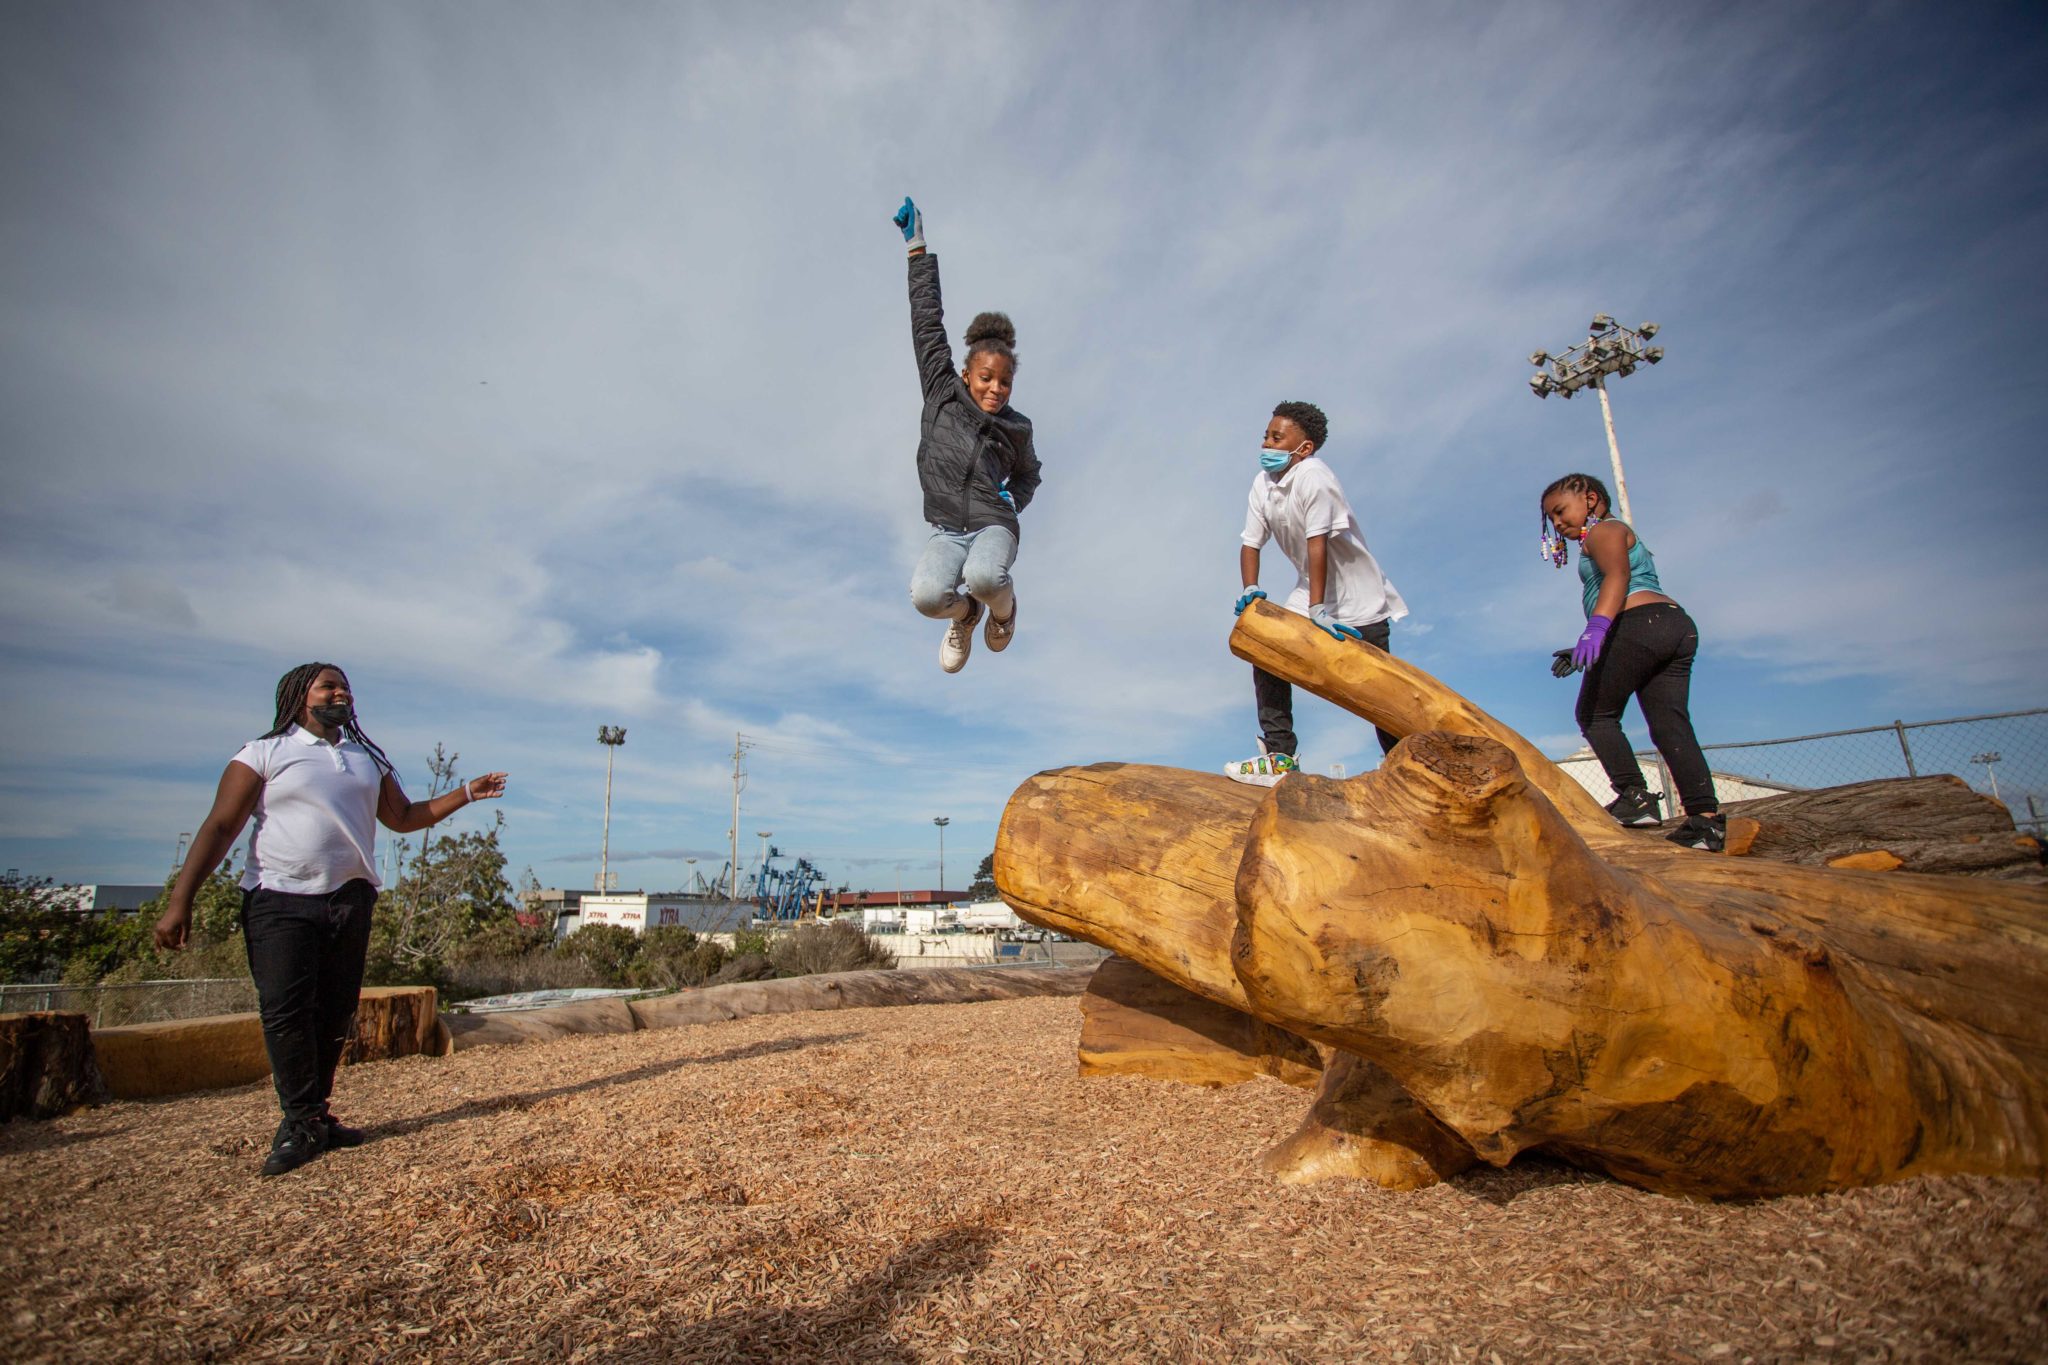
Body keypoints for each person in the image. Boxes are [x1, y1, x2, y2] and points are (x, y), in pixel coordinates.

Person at [154, 663, 508, 1176]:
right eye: (328, 686)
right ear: (300, 696)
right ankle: (299, 1122)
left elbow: (404, 818)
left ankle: (315, 1115)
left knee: (334, 1012)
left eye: (345, 687)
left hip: (349, 900)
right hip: (279, 898)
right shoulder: (263, 753)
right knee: (286, 1012)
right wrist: (180, 900)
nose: (341, 692)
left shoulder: (367, 759)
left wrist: (467, 792)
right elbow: (221, 825)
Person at [892, 195, 1042, 673]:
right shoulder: (942, 390)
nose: (995, 389)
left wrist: (1015, 498)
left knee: (984, 577)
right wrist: (917, 249)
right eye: (986, 378)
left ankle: (1003, 611)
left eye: (1005, 382)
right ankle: (967, 615)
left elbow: (1029, 474)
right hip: (947, 530)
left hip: (993, 523)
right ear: (966, 373)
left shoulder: (1016, 427)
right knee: (927, 597)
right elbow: (927, 325)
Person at [1226, 401, 1407, 785]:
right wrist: (1251, 587)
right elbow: (1250, 542)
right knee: (1267, 647)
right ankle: (1280, 756)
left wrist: (1318, 609)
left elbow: (1317, 544)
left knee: (1379, 693)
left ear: (1304, 448)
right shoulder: (1262, 484)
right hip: (1310, 591)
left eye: (1277, 438)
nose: (1266, 444)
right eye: (1266, 435)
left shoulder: (1315, 478)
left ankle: (1403, 770)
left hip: (1360, 600)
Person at [1540, 472, 1723, 850]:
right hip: (1671, 625)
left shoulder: (1603, 531)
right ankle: (1705, 821)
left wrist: (1596, 629)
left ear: (1590, 499)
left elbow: (1618, 577)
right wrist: (1587, 646)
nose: (1557, 523)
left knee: (1595, 715)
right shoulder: (1613, 533)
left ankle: (1635, 796)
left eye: (1560, 511)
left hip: (1637, 624)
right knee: (1670, 726)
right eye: (1551, 518)